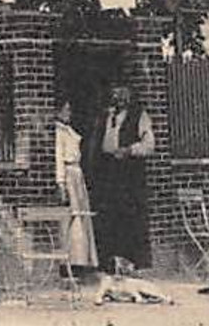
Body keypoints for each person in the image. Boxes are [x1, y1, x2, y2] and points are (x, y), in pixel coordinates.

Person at [90, 83, 155, 271]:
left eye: (122, 94)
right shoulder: (105, 116)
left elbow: (149, 144)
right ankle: (109, 262)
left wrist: (129, 150)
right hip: (108, 170)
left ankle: (131, 261)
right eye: (115, 94)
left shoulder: (139, 116)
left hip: (128, 172)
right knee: (108, 215)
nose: (118, 98)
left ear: (129, 96)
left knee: (129, 215)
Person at [53, 103, 99, 269]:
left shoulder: (68, 130)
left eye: (70, 110)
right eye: (66, 110)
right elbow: (59, 158)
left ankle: (82, 258)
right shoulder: (58, 132)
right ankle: (71, 259)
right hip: (69, 175)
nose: (69, 113)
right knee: (73, 218)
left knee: (81, 214)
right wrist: (61, 183)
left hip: (76, 174)